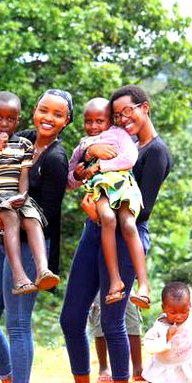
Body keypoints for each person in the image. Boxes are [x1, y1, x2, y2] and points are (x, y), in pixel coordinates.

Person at [53, 85, 173, 383]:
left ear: (144, 108)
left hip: (125, 237)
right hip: (94, 233)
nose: (121, 119)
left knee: (112, 320)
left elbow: (141, 210)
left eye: (126, 112)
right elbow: (79, 173)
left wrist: (95, 207)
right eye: (116, 114)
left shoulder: (155, 151)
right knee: (71, 318)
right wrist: (86, 164)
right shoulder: (119, 140)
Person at [0, 89, 71, 383]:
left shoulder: (55, 157)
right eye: (44, 110)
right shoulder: (22, 139)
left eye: (57, 114)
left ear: (65, 121)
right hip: (4, 239)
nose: (48, 118)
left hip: (32, 244)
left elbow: (51, 212)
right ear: (33, 112)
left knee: (17, 323)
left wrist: (7, 213)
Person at [0, 91, 59, 295]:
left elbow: (24, 174)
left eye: (10, 119)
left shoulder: (24, 145)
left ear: (18, 119)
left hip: (16, 194)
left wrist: (23, 195)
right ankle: (19, 277)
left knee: (32, 219)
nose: (4, 123)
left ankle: (43, 270)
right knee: (10, 217)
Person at [67, 97, 149, 307]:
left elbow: (130, 159)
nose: (93, 126)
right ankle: (115, 281)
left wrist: (98, 166)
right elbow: (70, 180)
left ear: (110, 120)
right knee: (107, 218)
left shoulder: (119, 134)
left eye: (99, 121)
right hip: (101, 189)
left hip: (123, 185)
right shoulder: (83, 145)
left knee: (129, 224)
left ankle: (144, 286)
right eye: (88, 121)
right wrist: (78, 175)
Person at [139, 282, 192, 383]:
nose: (179, 316)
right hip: (160, 381)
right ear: (164, 308)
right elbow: (149, 346)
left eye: (184, 311)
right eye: (173, 312)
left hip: (187, 378)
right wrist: (166, 337)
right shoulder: (159, 327)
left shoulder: (191, 320)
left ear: (190, 306)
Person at [87, 293, 144, 383]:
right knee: (100, 316)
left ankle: (138, 368)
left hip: (125, 282)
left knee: (132, 317)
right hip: (98, 283)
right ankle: (103, 368)